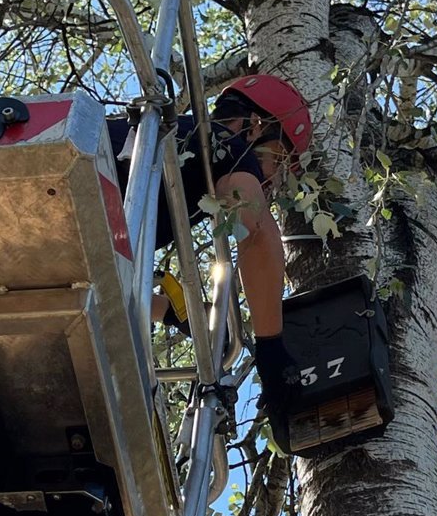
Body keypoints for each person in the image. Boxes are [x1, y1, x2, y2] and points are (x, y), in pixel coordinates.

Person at [108, 74, 311, 418]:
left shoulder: (161, 153)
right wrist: (271, 349)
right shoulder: (223, 145)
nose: (272, 182)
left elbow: (98, 280)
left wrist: (171, 312)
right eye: (277, 162)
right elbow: (255, 230)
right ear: (255, 126)